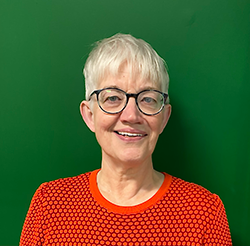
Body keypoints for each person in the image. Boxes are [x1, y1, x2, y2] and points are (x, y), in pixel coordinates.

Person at [20, 33, 232, 246]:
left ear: (164, 117)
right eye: (112, 98)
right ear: (89, 115)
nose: (131, 115)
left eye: (148, 99)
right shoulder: (48, 206)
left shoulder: (204, 213)